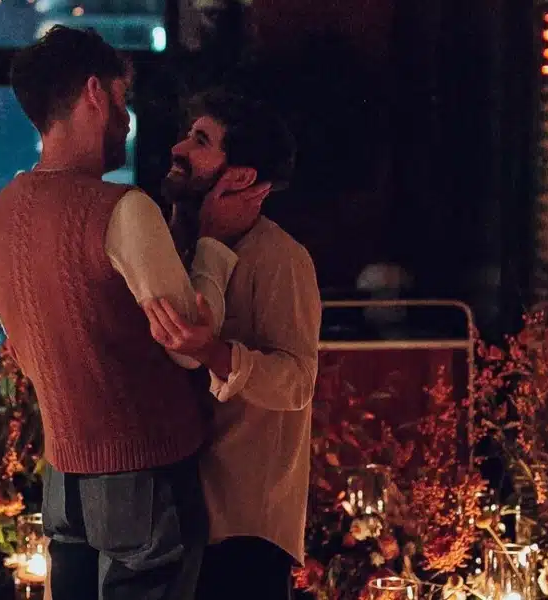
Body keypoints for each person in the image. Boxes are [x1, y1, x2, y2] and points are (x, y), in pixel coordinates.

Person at [0, 27, 268, 600]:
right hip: (146, 474)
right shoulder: (122, 209)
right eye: (121, 97)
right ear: (94, 93)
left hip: (63, 477)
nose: (127, 119)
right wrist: (211, 242)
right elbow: (189, 348)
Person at [142, 89, 322, 600]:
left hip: (241, 527)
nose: (178, 148)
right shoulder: (172, 244)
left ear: (240, 176)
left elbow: (296, 382)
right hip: (173, 517)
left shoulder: (280, 259)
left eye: (201, 141)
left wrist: (212, 352)